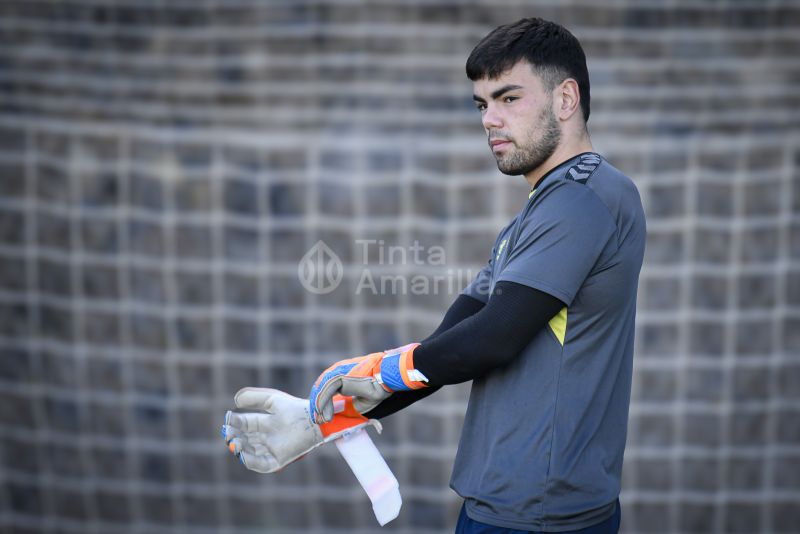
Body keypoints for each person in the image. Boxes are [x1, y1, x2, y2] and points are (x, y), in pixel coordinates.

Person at [222, 17, 645, 534]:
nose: (490, 119)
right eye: (482, 104)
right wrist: (325, 417)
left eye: (509, 98)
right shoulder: (536, 215)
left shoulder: (585, 197)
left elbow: (494, 338)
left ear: (565, 99)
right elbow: (450, 344)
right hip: (501, 508)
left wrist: (378, 374)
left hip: (544, 518)